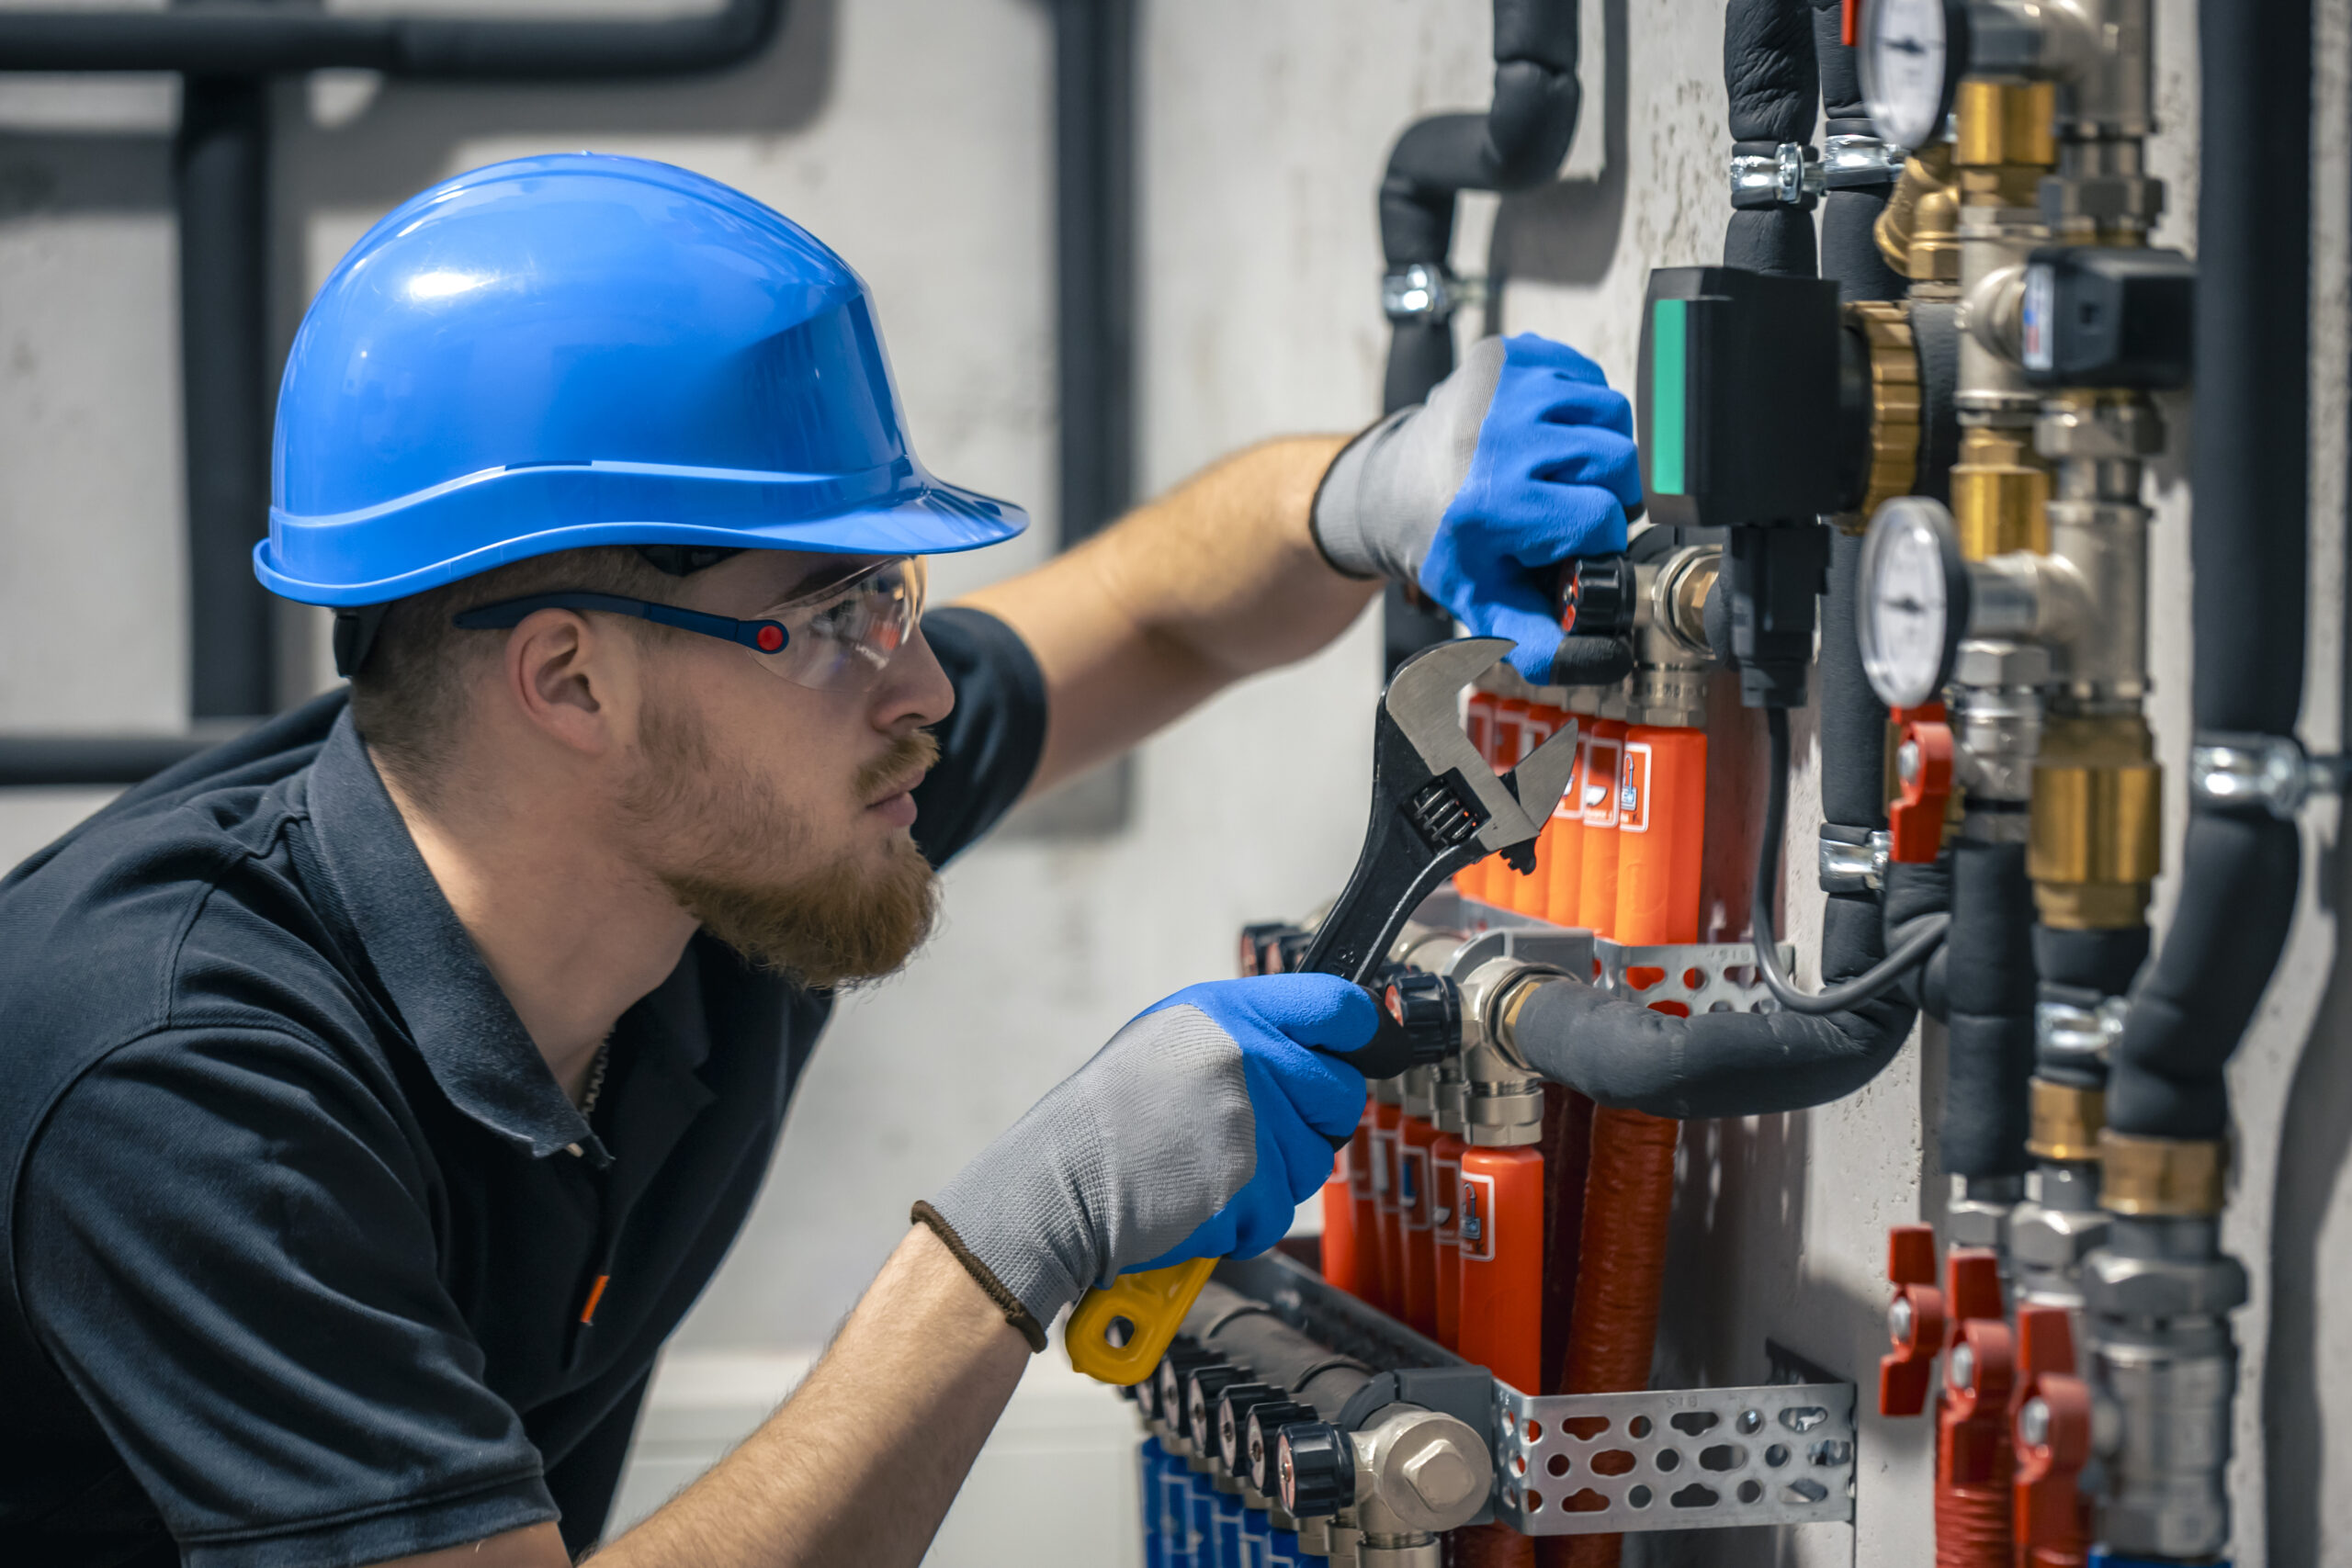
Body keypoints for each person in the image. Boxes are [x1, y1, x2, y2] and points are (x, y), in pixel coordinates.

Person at [0, 153, 1642, 1568]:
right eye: (839, 614)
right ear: (569, 679)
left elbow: (1149, 610)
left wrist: (1369, 490)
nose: (920, 686)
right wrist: (1021, 1235)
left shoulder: (709, 841)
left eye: (898, 599)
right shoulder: (187, 1095)